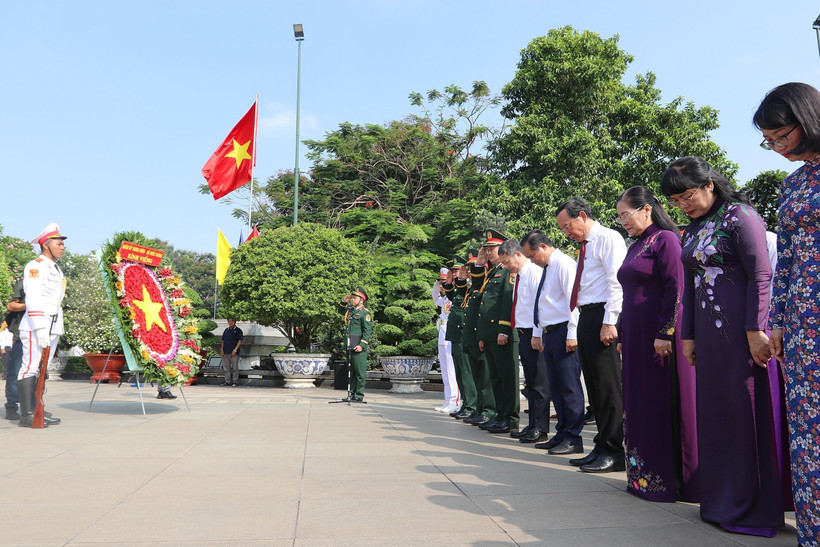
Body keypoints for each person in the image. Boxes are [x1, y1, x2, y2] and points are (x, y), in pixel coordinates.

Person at [661, 156, 786, 536]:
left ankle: (751, 506)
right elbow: (691, 285)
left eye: (688, 196)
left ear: (709, 184)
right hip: (710, 339)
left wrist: (755, 329)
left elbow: (762, 273)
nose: (683, 205)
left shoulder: (740, 215)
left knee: (742, 414)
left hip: (741, 336)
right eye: (677, 201)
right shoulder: (696, 228)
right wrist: (688, 336)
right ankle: (720, 501)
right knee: (715, 417)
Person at [754, 82, 820, 545]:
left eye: (782, 136)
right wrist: (776, 321)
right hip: (801, 324)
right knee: (808, 431)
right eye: (769, 140)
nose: (777, 148)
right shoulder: (793, 184)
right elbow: (789, 258)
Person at [615, 186, 699, 503]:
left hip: (659, 339)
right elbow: (628, 295)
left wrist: (666, 331)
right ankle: (642, 477)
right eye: (619, 215)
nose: (622, 220)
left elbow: (676, 289)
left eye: (626, 214)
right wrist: (623, 334)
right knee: (638, 404)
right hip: (635, 338)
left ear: (646, 209)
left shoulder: (665, 239)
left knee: (659, 404)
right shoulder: (636, 245)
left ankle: (670, 481)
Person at [555, 198, 626, 473]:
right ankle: (600, 445)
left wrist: (610, 322)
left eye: (568, 226)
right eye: (563, 230)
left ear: (582, 216)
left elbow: (615, 282)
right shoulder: (586, 246)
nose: (566, 233)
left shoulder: (609, 238)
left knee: (608, 386)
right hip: (587, 314)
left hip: (603, 316)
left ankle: (613, 450)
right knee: (594, 386)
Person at [522, 230, 585, 456]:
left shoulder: (564, 264)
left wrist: (572, 333)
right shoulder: (547, 268)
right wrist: (538, 332)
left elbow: (573, 301)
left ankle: (573, 436)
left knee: (569, 386)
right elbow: (542, 303)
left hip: (563, 331)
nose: (531, 261)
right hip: (550, 332)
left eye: (531, 256)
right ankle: (562, 432)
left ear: (542, 247)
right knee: (556, 387)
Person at [497, 238, 549, 444]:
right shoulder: (520, 275)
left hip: (535, 333)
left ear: (518, 254)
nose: (506, 266)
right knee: (530, 383)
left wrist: (537, 333)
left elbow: (540, 306)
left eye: (508, 261)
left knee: (540, 384)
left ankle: (541, 428)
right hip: (524, 333)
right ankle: (532, 424)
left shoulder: (534, 272)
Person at [18, 222, 66, 428]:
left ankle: (39, 408)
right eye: (58, 243)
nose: (62, 247)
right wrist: (39, 327)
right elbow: (34, 298)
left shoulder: (54, 268)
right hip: (36, 326)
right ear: (46, 244)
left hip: (52, 326)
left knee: (42, 368)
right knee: (30, 367)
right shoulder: (35, 266)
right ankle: (27, 414)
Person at [476, 230, 519, 434]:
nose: (488, 252)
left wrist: (503, 330)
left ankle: (510, 417)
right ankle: (500, 414)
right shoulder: (493, 272)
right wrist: (483, 336)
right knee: (495, 377)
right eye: (486, 249)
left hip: (502, 333)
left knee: (507, 377)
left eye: (491, 249)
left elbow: (507, 302)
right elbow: (481, 301)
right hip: (490, 334)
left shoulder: (507, 272)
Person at [460, 249, 497, 426]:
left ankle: (488, 410)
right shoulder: (476, 286)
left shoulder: (490, 280)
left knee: (485, 375)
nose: (470, 271)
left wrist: (481, 265)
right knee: (477, 375)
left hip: (482, 334)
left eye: (472, 268)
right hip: (473, 335)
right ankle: (480, 408)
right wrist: (479, 265)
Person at [442, 257, 477, 419]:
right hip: (456, 333)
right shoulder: (461, 289)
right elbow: (453, 299)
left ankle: (471, 405)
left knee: (466, 371)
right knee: (460, 371)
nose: (456, 274)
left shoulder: (471, 287)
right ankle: (466, 404)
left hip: (464, 333)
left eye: (458, 271)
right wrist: (448, 284)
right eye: (454, 271)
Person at [431, 268, 459, 413]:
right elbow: (436, 299)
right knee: (445, 369)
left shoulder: (454, 297)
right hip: (442, 334)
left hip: (451, 334)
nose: (441, 286)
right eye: (440, 283)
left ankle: (455, 400)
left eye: (443, 283)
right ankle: (448, 399)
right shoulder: (445, 300)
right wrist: (435, 287)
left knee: (452, 369)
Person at [340, 288, 372, 403]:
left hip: (358, 346)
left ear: (361, 300)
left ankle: (359, 394)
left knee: (359, 372)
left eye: (355, 297)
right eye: (353, 297)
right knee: (351, 372)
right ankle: (352, 393)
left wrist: (362, 345)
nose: (353, 299)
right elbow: (341, 312)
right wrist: (344, 302)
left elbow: (367, 331)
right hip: (350, 344)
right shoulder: (352, 311)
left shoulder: (365, 313)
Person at [3, 280, 26, 421]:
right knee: (15, 371)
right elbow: (11, 305)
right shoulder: (24, 283)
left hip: (41, 334)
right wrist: (29, 306)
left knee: (38, 372)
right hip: (21, 334)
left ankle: (33, 406)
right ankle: (11, 406)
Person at [220, 318, 243, 386]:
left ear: (235, 322)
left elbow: (240, 341)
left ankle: (235, 381)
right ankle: (227, 381)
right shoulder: (226, 330)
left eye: (232, 321)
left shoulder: (238, 330)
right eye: (229, 321)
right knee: (226, 368)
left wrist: (235, 350)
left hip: (234, 352)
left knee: (235, 368)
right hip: (225, 352)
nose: (231, 322)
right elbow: (223, 340)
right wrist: (222, 349)